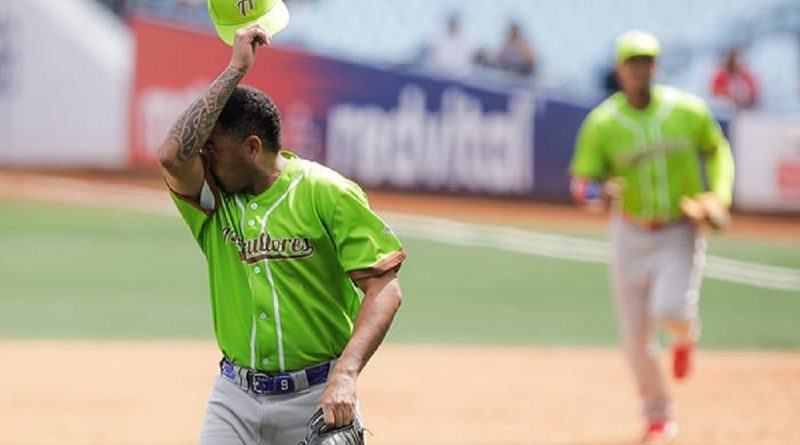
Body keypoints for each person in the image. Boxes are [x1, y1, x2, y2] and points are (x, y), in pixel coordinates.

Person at [157, 24, 406, 445]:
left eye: (213, 148)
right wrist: (235, 69)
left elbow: (385, 288)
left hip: (317, 396)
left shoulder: (326, 193)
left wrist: (346, 375)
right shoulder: (214, 201)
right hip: (234, 399)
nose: (204, 157)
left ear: (252, 148)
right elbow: (171, 155)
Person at [569, 30, 735, 444]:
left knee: (671, 310)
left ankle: (685, 336)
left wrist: (719, 195)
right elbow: (581, 184)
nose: (640, 70)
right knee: (634, 338)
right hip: (630, 230)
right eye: (633, 63)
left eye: (646, 62)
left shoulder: (687, 111)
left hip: (679, 228)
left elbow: (717, 150)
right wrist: (598, 193)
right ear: (620, 70)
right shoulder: (603, 123)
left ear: (656, 67)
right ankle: (658, 416)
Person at [426, 12, 476, 77]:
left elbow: (469, 59)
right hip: (439, 74)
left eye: (454, 24)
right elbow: (433, 57)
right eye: (451, 23)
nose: (452, 26)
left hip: (460, 76)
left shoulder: (467, 39)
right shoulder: (439, 38)